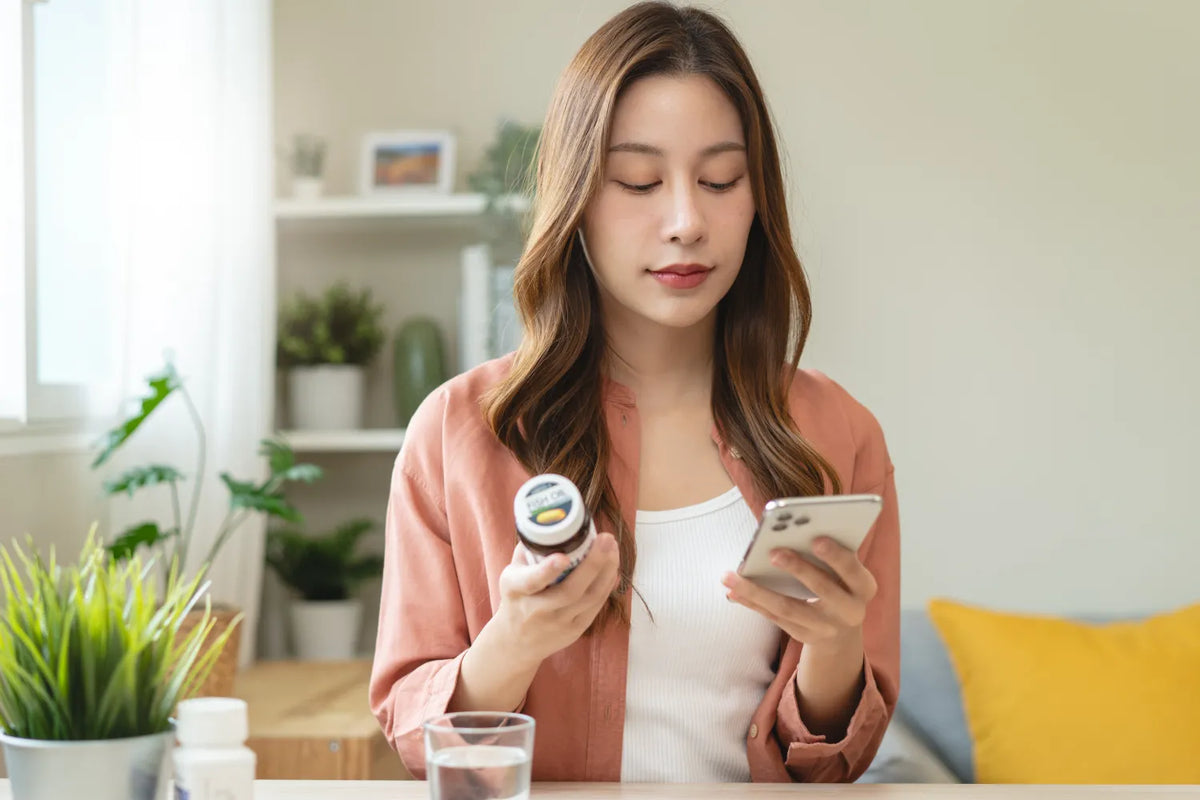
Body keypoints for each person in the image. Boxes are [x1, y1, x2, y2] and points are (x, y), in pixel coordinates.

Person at [370, 1, 899, 784]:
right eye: (640, 181)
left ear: (759, 199)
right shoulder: (461, 431)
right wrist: (515, 638)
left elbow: (828, 768)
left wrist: (834, 643)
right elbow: (415, 737)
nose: (686, 220)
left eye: (720, 179)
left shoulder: (837, 432)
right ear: (576, 197)